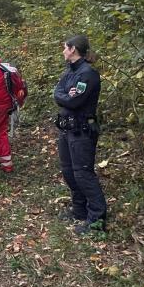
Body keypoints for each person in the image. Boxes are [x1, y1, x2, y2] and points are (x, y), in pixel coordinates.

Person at [53, 34, 107, 234]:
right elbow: (57, 93)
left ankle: (96, 220)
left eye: (65, 48)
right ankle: (79, 211)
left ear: (73, 49)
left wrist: (65, 97)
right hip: (66, 129)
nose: (63, 51)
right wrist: (65, 96)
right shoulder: (69, 71)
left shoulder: (88, 74)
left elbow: (74, 102)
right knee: (69, 172)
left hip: (82, 131)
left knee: (83, 174)